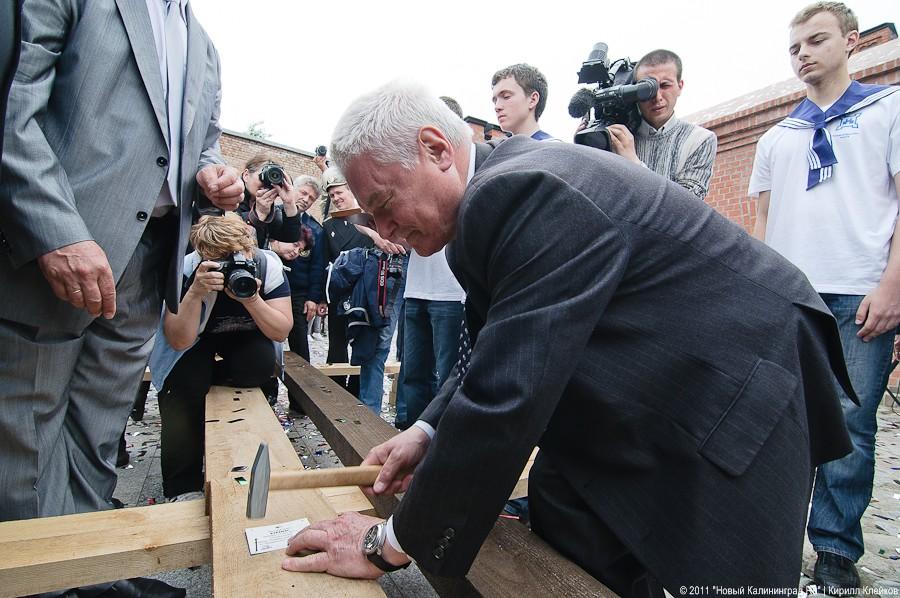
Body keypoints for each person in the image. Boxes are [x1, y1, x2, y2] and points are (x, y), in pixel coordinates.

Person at [281, 81, 855, 596]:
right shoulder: (488, 201)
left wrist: (385, 542)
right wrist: (427, 430)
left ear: (436, 149)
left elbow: (506, 397)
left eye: (384, 205)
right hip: (656, 377)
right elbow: (491, 351)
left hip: (739, 381)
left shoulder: (519, 190)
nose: (383, 230)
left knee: (720, 575)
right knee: (564, 508)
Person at [0, 0, 242, 528]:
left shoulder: (204, 46)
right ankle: (36, 567)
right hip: (59, 252)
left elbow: (203, 145)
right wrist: (56, 232)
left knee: (99, 433)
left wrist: (214, 175)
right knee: (25, 441)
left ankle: (84, 557)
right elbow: (13, 105)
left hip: (148, 261)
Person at [748, 2, 900, 591]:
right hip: (791, 295)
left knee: (851, 424)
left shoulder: (888, 109)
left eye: (816, 40)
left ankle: (836, 547)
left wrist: (892, 285)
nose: (803, 54)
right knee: (785, 421)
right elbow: (763, 221)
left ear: (852, 41)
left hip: (860, 292)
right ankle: (775, 535)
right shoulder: (777, 136)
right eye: (794, 47)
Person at [150, 213, 292, 499]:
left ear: (249, 247)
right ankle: (181, 486)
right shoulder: (187, 269)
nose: (232, 265)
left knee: (259, 366)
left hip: (244, 336)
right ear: (203, 255)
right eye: (221, 260)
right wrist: (195, 292)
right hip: (197, 338)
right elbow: (179, 341)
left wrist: (252, 299)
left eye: (239, 255)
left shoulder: (266, 264)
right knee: (182, 386)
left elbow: (280, 331)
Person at [321, 168, 405, 412]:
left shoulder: (375, 211)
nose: (336, 198)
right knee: (351, 343)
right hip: (348, 286)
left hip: (381, 280)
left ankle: (370, 401)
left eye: (340, 192)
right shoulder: (333, 224)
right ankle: (349, 399)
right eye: (332, 195)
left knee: (380, 342)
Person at [603, 49, 717, 200]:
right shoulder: (615, 138)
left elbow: (686, 206)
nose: (657, 97)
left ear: (680, 86)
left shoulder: (700, 139)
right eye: (646, 88)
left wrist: (634, 164)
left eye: (665, 85)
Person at [270, 175, 327, 411]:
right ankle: (268, 395)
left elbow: (318, 266)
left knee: (300, 348)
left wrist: (313, 298)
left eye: (311, 198)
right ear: (292, 189)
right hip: (268, 290)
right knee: (267, 345)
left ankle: (300, 402)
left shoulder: (316, 230)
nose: (306, 199)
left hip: (298, 295)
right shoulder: (271, 215)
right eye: (303, 193)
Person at [236, 153, 302, 249]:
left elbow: (291, 236)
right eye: (263, 176)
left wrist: (289, 204)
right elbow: (232, 239)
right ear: (246, 175)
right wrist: (259, 214)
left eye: (272, 178)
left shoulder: (269, 208)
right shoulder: (229, 200)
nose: (267, 183)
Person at [491, 63, 559, 140]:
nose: (497, 107)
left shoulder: (553, 146)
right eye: (495, 101)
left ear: (533, 100)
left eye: (506, 96)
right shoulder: (498, 147)